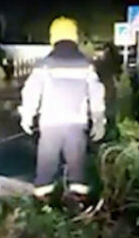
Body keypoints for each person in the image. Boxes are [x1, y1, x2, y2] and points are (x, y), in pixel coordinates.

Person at [18, 16, 106, 204]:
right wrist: (99, 120)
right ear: (75, 37)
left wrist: (27, 115)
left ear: (53, 37)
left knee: (47, 163)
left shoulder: (45, 64)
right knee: (77, 163)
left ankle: (43, 203)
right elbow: (97, 92)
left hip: (50, 124)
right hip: (76, 124)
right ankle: (79, 202)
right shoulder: (86, 64)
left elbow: (31, 90)